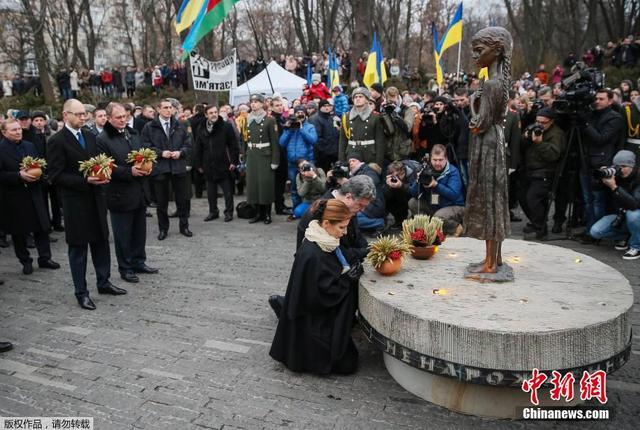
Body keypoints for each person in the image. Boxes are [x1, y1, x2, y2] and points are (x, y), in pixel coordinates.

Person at [47, 99, 127, 310]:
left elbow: (98, 163)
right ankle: (81, 292)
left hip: (97, 199)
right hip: (75, 203)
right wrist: (85, 181)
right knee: (79, 249)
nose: (83, 117)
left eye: (84, 114)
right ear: (65, 115)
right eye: (78, 114)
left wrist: (104, 173)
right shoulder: (57, 141)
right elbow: (55, 176)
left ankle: (104, 281)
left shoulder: (90, 136)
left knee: (101, 243)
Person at [269, 199, 363, 375]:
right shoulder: (313, 252)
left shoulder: (323, 240)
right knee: (347, 365)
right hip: (312, 322)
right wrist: (347, 280)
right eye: (341, 227)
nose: (344, 232)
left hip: (317, 317)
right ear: (326, 223)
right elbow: (318, 296)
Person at [464, 27, 513, 274]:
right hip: (494, 139)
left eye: (479, 50)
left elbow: (477, 124)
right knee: (493, 198)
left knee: (489, 199)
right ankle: (495, 259)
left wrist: (473, 102)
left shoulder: (493, 84)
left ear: (497, 51)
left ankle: (491, 264)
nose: (475, 56)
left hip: (488, 143)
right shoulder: (496, 81)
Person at [96, 103, 158, 283]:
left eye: (124, 116)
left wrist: (148, 164)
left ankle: (139, 261)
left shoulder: (133, 133)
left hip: (139, 190)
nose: (123, 120)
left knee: (139, 231)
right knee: (122, 234)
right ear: (109, 118)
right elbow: (106, 167)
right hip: (119, 193)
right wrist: (129, 172)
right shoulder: (102, 139)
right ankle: (126, 267)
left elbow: (141, 154)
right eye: (118, 117)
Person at [0, 118, 60, 274]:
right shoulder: (1, 149)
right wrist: (18, 175)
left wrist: (40, 173)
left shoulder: (30, 146)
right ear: (4, 132)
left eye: (19, 129)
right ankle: (25, 261)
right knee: (19, 232)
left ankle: (45, 258)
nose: (18, 132)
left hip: (35, 192)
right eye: (13, 130)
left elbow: (40, 163)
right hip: (15, 196)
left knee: (42, 227)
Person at [578, 89, 626, 243]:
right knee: (587, 199)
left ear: (610, 101)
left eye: (601, 99)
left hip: (601, 164)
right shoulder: (591, 114)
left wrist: (585, 123)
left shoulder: (615, 118)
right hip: (586, 162)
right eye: (596, 98)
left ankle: (595, 233)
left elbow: (601, 139)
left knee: (598, 201)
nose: (597, 101)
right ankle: (589, 230)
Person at [142, 99, 193, 240]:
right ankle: (163, 229)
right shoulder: (149, 127)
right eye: (165, 107)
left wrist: (180, 152)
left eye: (170, 107)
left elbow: (188, 144)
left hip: (178, 167)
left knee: (182, 200)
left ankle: (184, 226)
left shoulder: (180, 125)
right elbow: (145, 146)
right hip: (160, 168)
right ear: (158, 109)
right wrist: (160, 153)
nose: (168, 110)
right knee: (162, 201)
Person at [519, 108, 566, 239]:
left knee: (533, 198)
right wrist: (526, 137)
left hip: (545, 171)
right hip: (529, 169)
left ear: (551, 122)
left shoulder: (557, 134)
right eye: (537, 121)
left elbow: (553, 155)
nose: (540, 125)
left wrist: (540, 143)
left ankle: (539, 227)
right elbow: (521, 146)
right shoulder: (533, 128)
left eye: (543, 122)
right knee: (522, 197)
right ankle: (536, 222)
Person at [589, 150, 640, 259]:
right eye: (617, 166)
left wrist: (614, 187)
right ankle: (626, 236)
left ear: (632, 166)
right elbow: (594, 189)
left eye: (624, 166)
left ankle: (636, 246)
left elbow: (634, 204)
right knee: (595, 232)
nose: (620, 169)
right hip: (620, 214)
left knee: (633, 215)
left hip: (635, 215)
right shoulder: (614, 175)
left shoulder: (638, 177)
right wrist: (600, 178)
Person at [194, 105, 239, 222]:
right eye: (211, 113)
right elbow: (198, 146)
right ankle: (213, 212)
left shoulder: (226, 126)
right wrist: (198, 164)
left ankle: (228, 212)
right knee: (210, 192)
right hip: (208, 163)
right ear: (206, 115)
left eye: (215, 112)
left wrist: (234, 161)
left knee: (227, 192)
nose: (214, 114)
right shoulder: (201, 127)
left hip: (224, 163)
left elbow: (233, 145)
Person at [409, 144, 465, 235]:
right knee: (413, 202)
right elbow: (413, 193)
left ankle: (455, 228)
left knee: (438, 217)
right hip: (435, 206)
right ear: (430, 159)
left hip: (455, 206)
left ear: (446, 159)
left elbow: (454, 195)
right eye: (435, 160)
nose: (437, 163)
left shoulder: (453, 171)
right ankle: (428, 230)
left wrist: (436, 185)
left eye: (440, 160)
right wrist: (418, 180)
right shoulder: (427, 170)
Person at [243, 94, 280, 224]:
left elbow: (275, 142)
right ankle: (258, 213)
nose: (253, 104)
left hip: (265, 155)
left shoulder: (270, 120)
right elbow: (245, 139)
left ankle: (267, 214)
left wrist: (275, 160)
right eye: (252, 102)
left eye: (256, 102)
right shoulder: (247, 119)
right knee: (254, 186)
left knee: (265, 186)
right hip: (252, 155)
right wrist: (244, 156)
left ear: (262, 103)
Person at [279, 105, 318, 209]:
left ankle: (310, 210)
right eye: (297, 113)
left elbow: (313, 140)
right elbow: (282, 143)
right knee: (294, 188)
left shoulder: (310, 127)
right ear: (294, 114)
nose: (300, 114)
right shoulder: (290, 127)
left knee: (309, 186)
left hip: (307, 161)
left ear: (305, 114)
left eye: (302, 112)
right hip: (292, 163)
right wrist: (288, 129)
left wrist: (301, 129)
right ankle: (296, 210)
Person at [338, 87, 385, 167]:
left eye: (360, 96)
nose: (357, 99)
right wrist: (342, 161)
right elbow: (342, 141)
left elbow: (380, 141)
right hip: (351, 154)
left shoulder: (375, 117)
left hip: (369, 154)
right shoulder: (346, 117)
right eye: (355, 97)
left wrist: (378, 163)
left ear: (367, 99)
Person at [347, 153, 386, 231]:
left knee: (350, 219)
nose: (351, 163)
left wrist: (349, 183)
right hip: (364, 204)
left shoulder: (369, 171)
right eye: (349, 162)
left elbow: (367, 188)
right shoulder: (355, 174)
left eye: (353, 160)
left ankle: (380, 223)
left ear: (360, 162)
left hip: (373, 206)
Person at [383, 159, 421, 228]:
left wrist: (401, 185)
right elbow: (386, 195)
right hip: (401, 196)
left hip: (415, 197)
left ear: (403, 172)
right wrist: (388, 185)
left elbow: (415, 192)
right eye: (394, 176)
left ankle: (415, 219)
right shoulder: (391, 173)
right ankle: (400, 220)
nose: (396, 178)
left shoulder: (414, 172)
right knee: (388, 197)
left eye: (398, 176)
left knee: (411, 200)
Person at [308, 99, 339, 173]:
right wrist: (327, 151)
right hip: (322, 155)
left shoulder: (330, 117)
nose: (327, 107)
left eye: (328, 105)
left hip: (332, 153)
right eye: (324, 106)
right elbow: (317, 139)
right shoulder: (315, 119)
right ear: (320, 107)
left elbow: (334, 134)